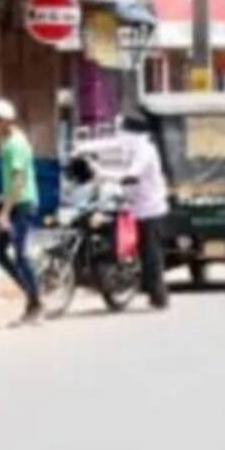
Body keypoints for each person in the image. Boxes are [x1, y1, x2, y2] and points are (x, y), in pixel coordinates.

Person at [75, 110, 170, 311]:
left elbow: (131, 175)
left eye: (122, 129)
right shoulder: (128, 144)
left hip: (150, 207)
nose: (119, 134)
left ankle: (158, 295)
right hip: (130, 201)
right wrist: (80, 148)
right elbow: (107, 144)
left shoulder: (145, 150)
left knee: (150, 252)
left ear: (131, 132)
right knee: (114, 236)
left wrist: (103, 174)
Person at [0, 98, 42, 322]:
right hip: (14, 203)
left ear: (4, 121)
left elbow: (18, 180)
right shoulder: (7, 141)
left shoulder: (15, 144)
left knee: (20, 255)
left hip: (22, 204)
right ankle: (31, 293)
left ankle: (35, 302)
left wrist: (5, 212)